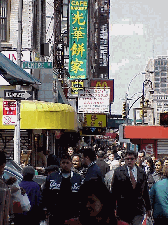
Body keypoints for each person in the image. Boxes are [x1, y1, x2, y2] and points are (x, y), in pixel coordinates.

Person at [111, 150, 151, 225]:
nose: (129, 161)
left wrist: (148, 208)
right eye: (127, 159)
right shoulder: (118, 172)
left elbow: (145, 191)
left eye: (131, 159)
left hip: (138, 209)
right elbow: (114, 191)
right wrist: (112, 208)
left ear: (135, 159)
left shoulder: (141, 172)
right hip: (123, 209)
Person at [42, 154, 82, 225]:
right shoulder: (52, 177)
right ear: (60, 164)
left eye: (67, 163)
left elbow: (82, 195)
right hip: (55, 214)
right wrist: (45, 209)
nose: (65, 165)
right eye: (63, 163)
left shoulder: (78, 178)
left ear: (71, 164)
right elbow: (45, 193)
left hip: (72, 214)